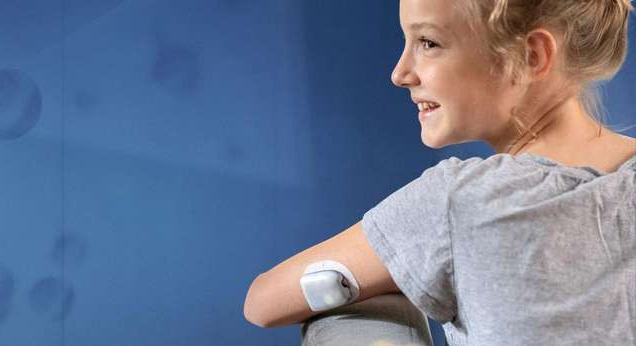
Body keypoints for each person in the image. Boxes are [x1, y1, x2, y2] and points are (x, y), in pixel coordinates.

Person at [244, 0, 636, 345]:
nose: (400, 73)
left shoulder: (462, 202)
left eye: (428, 43)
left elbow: (262, 302)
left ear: (532, 56)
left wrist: (398, 271)